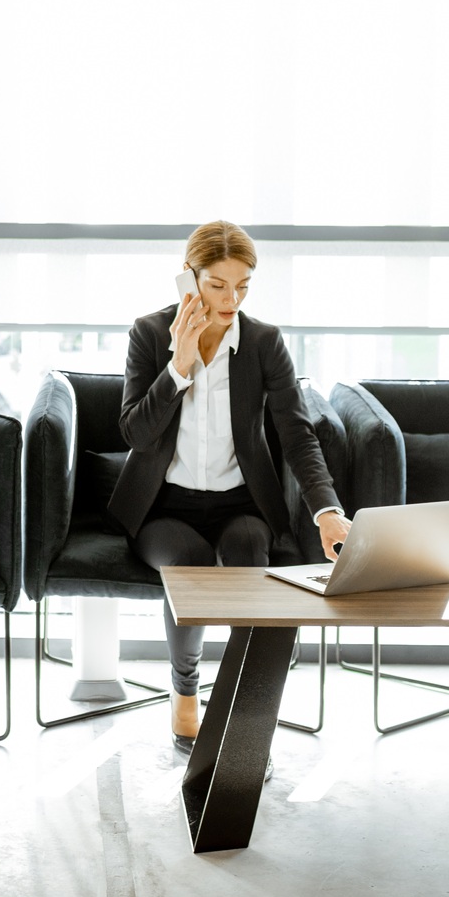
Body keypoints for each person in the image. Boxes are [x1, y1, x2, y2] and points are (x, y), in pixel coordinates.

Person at [113, 220, 351, 750]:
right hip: (164, 507)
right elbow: (135, 431)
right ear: (189, 277)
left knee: (249, 554)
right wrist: (178, 366)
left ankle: (244, 716)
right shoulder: (151, 334)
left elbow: (296, 432)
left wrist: (326, 510)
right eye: (217, 284)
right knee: (190, 566)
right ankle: (185, 691)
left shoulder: (263, 342)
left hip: (241, 502)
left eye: (243, 284)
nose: (231, 297)